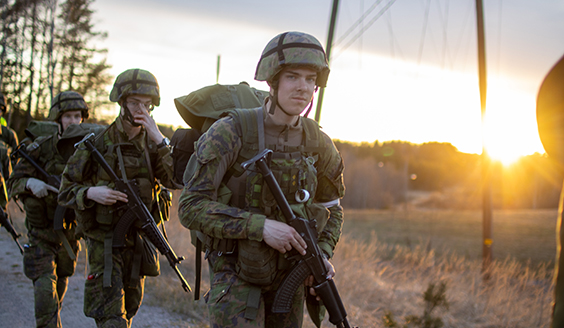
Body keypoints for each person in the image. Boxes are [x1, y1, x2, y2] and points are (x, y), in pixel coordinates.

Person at [178, 31, 346, 328]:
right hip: (237, 277)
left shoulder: (318, 142)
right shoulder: (231, 131)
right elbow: (191, 206)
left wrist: (320, 256)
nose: (303, 88)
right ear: (273, 80)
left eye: (310, 79)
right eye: (293, 77)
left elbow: (333, 208)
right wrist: (261, 227)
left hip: (290, 280)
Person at [58, 68, 179, 328]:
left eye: (147, 105)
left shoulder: (153, 145)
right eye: (135, 102)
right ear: (121, 102)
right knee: (111, 317)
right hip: (104, 242)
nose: (141, 109)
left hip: (137, 241)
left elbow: (175, 180)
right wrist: (91, 193)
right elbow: (65, 190)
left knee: (129, 309)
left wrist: (160, 139)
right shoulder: (97, 143)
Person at [7, 90, 90, 328]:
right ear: (58, 119)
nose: (73, 121)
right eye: (68, 117)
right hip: (41, 234)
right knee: (45, 293)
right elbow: (13, 183)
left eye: (77, 116)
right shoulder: (41, 148)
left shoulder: (88, 152)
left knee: (59, 288)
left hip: (69, 237)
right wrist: (30, 183)